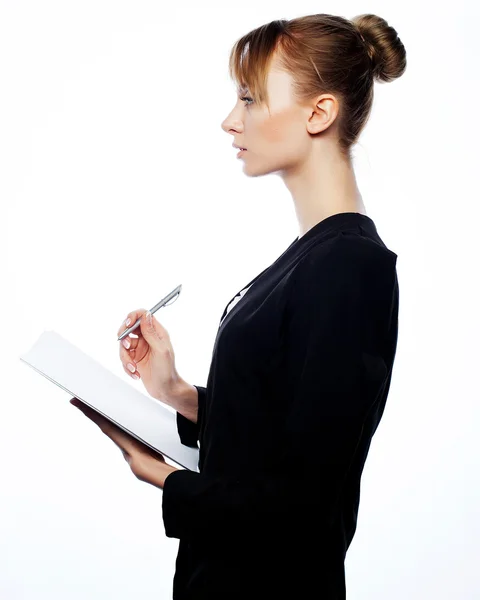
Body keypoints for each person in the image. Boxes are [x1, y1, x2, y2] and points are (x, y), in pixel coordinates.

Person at [73, 11, 406, 600]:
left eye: (250, 99)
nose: (231, 121)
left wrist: (167, 479)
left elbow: (307, 510)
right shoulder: (313, 257)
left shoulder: (352, 268)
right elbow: (280, 435)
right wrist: (175, 393)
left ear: (319, 113)